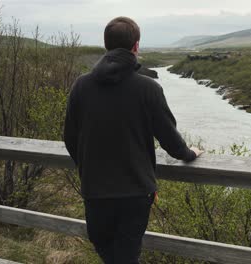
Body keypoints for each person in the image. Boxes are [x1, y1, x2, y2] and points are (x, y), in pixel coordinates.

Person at [63, 16, 202, 264]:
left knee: (108, 251)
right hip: (136, 192)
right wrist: (190, 153)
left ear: (106, 45)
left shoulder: (81, 86)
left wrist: (88, 169)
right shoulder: (148, 88)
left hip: (95, 191)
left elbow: (70, 138)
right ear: (136, 46)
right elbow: (170, 141)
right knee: (125, 256)